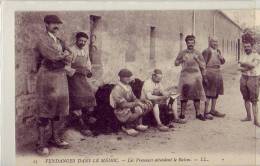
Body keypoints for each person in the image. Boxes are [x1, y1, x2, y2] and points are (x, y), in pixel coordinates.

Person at [35, 15, 71, 156]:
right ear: (46, 24)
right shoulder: (42, 40)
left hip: (60, 76)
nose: (56, 26)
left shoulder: (60, 40)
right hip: (47, 77)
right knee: (45, 109)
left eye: (58, 24)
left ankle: (55, 138)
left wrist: (64, 55)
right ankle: (41, 144)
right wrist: (63, 55)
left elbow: (71, 55)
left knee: (59, 109)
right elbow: (52, 56)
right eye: (53, 23)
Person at [67, 32, 97, 136]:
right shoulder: (71, 50)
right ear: (76, 39)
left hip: (82, 78)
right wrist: (78, 71)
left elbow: (88, 63)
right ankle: (81, 125)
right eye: (81, 41)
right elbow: (66, 67)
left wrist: (89, 71)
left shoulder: (85, 51)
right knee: (78, 101)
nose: (82, 43)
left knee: (90, 96)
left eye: (84, 41)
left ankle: (88, 118)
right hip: (73, 79)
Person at [110, 69, 153, 136]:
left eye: (129, 77)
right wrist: (137, 104)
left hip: (128, 106)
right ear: (120, 77)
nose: (128, 78)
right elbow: (122, 105)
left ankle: (136, 124)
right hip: (120, 110)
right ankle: (127, 127)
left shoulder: (128, 87)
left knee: (147, 105)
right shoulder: (117, 88)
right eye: (126, 77)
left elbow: (134, 98)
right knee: (136, 109)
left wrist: (143, 100)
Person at [174, 35, 206, 121]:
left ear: (194, 43)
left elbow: (203, 65)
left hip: (196, 76)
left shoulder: (198, 53)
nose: (190, 44)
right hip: (185, 75)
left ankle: (198, 114)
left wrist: (197, 60)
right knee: (184, 95)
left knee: (197, 95)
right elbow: (176, 63)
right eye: (189, 42)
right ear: (186, 43)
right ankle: (182, 114)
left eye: (192, 42)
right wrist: (182, 60)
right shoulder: (182, 53)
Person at [239, 32, 260, 127]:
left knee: (254, 100)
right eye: (245, 46)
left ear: (252, 46)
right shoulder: (243, 55)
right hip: (243, 77)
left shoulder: (256, 56)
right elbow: (239, 67)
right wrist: (247, 65)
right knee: (245, 98)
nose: (246, 48)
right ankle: (248, 116)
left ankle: (256, 120)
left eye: (248, 46)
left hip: (253, 78)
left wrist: (244, 64)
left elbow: (253, 65)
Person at [202, 37, 226, 120]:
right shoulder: (207, 51)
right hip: (210, 72)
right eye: (214, 42)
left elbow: (223, 62)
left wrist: (221, 57)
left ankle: (213, 110)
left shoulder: (218, 51)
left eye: (217, 42)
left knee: (216, 92)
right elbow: (202, 64)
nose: (215, 43)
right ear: (210, 42)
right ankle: (206, 112)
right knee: (208, 93)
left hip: (218, 72)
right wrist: (204, 76)